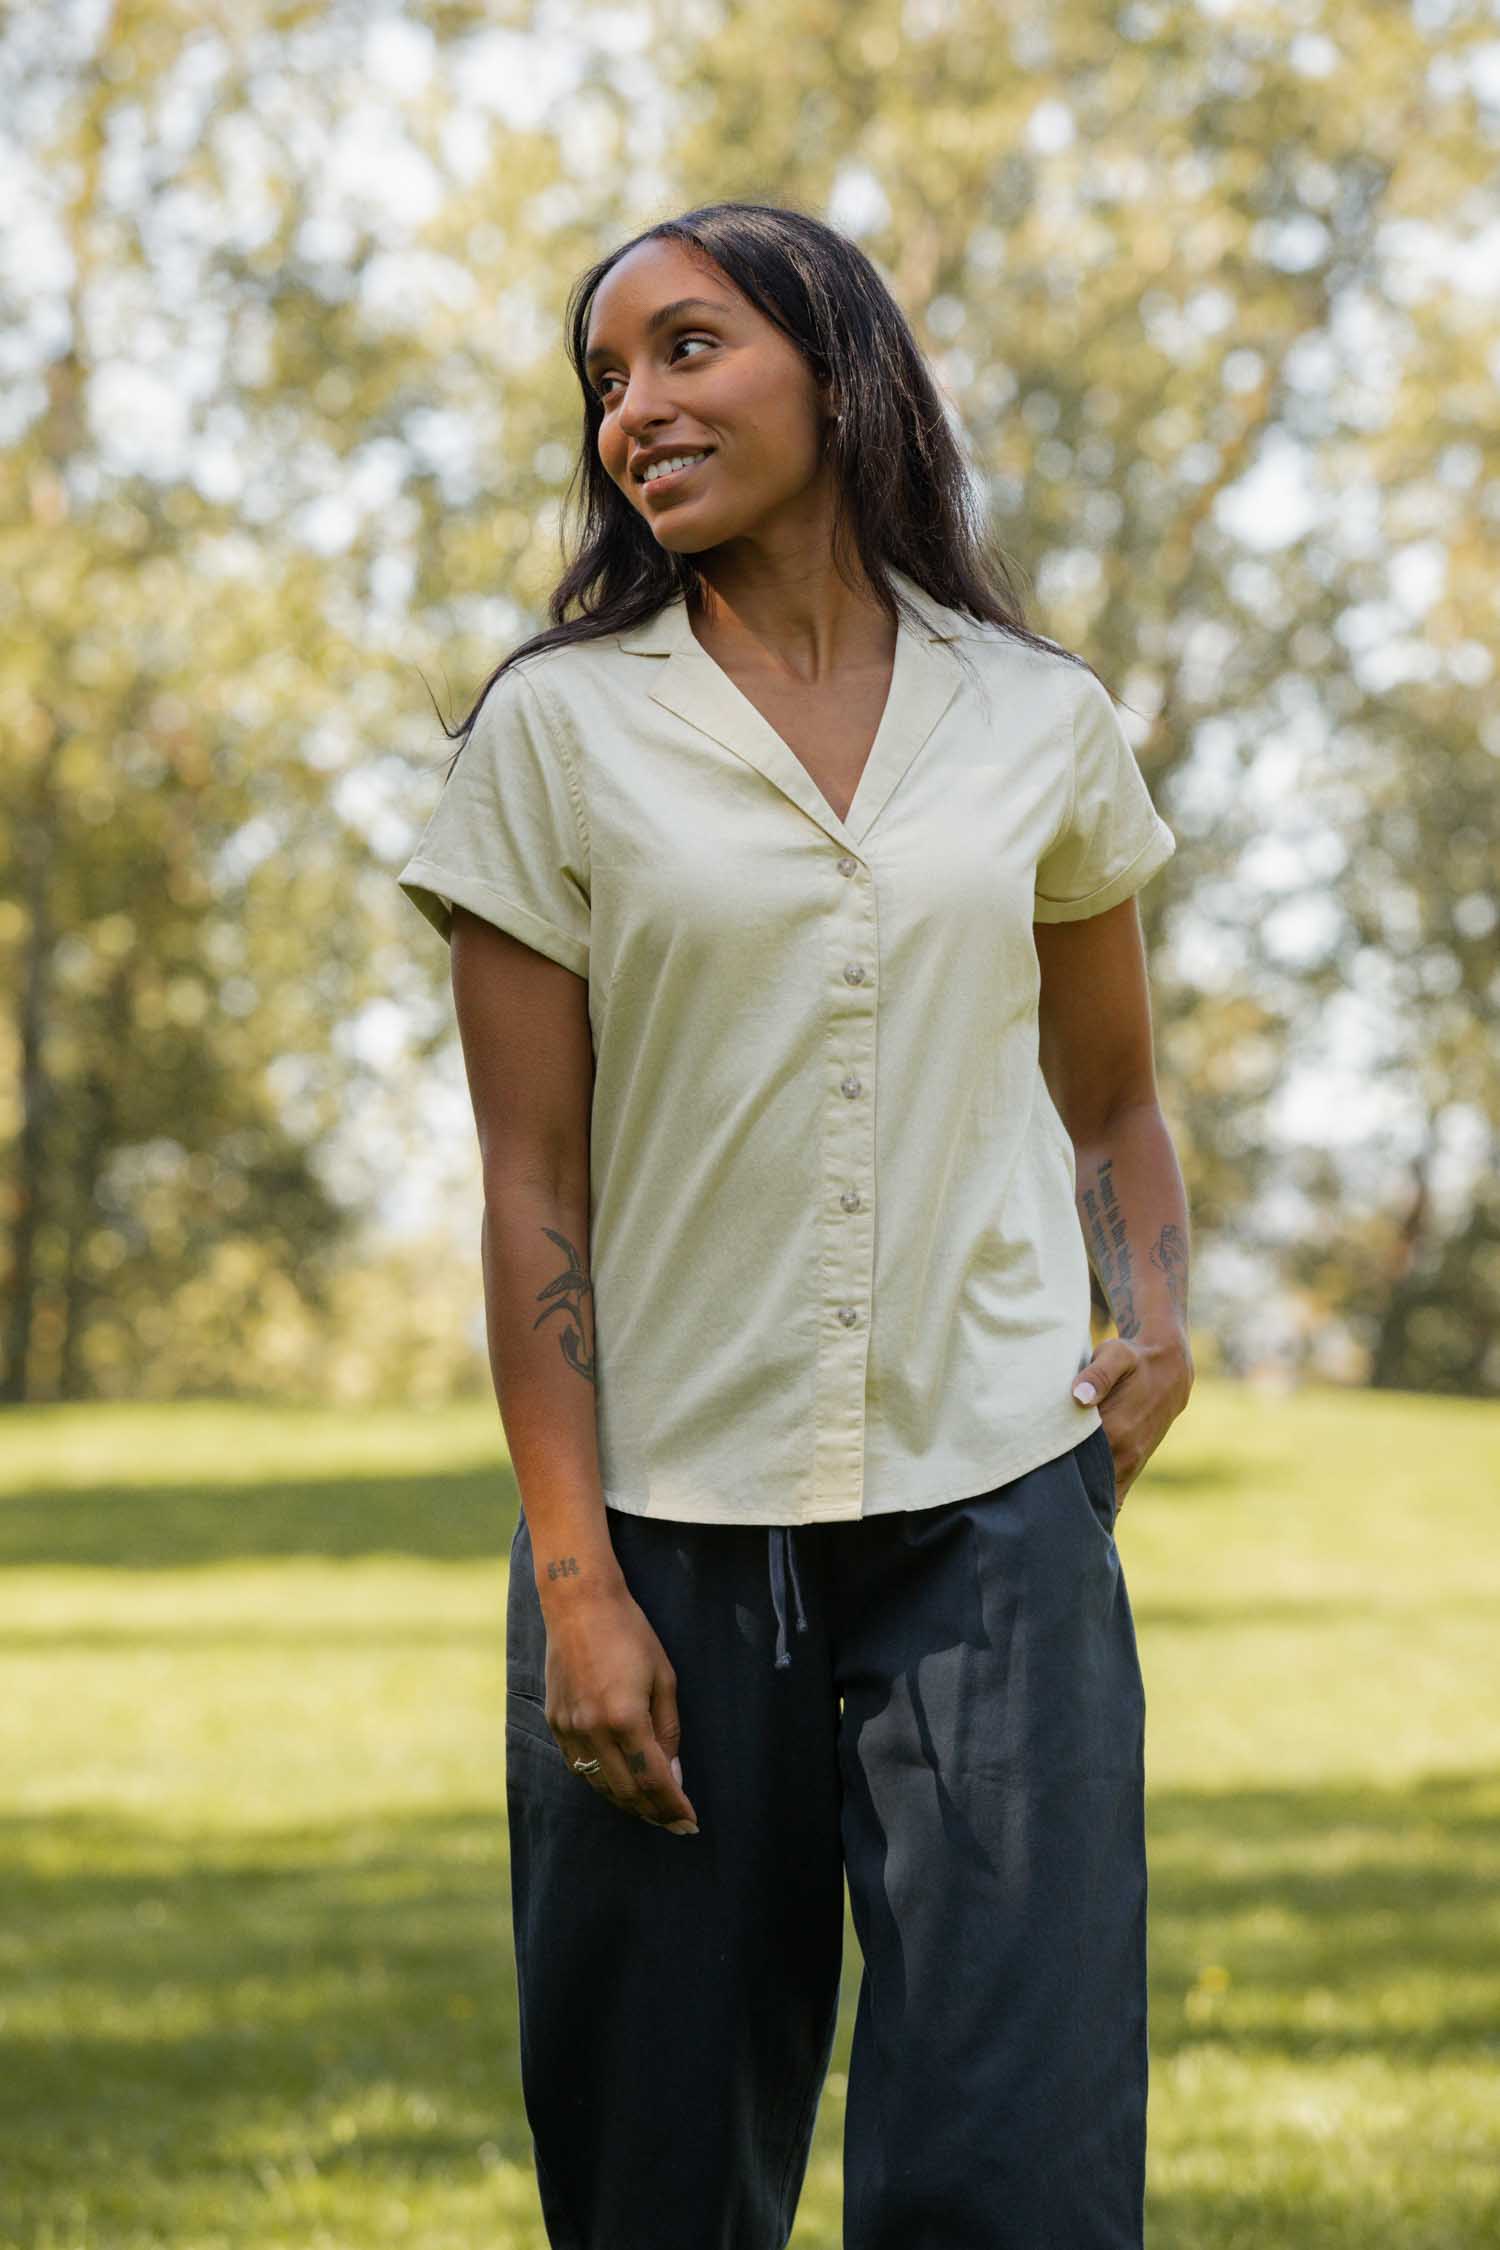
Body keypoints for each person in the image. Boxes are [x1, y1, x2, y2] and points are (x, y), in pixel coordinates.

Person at [396, 199, 1193, 2250]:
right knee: (660, 2172)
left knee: (1014, 2177)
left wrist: (1161, 1316)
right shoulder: (554, 734)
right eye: (602, 380)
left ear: (838, 366)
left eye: (684, 349)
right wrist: (576, 1582)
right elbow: (529, 1185)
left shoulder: (1036, 717)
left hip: (996, 1514)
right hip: (664, 1522)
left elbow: (1110, 1089)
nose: (632, 410)